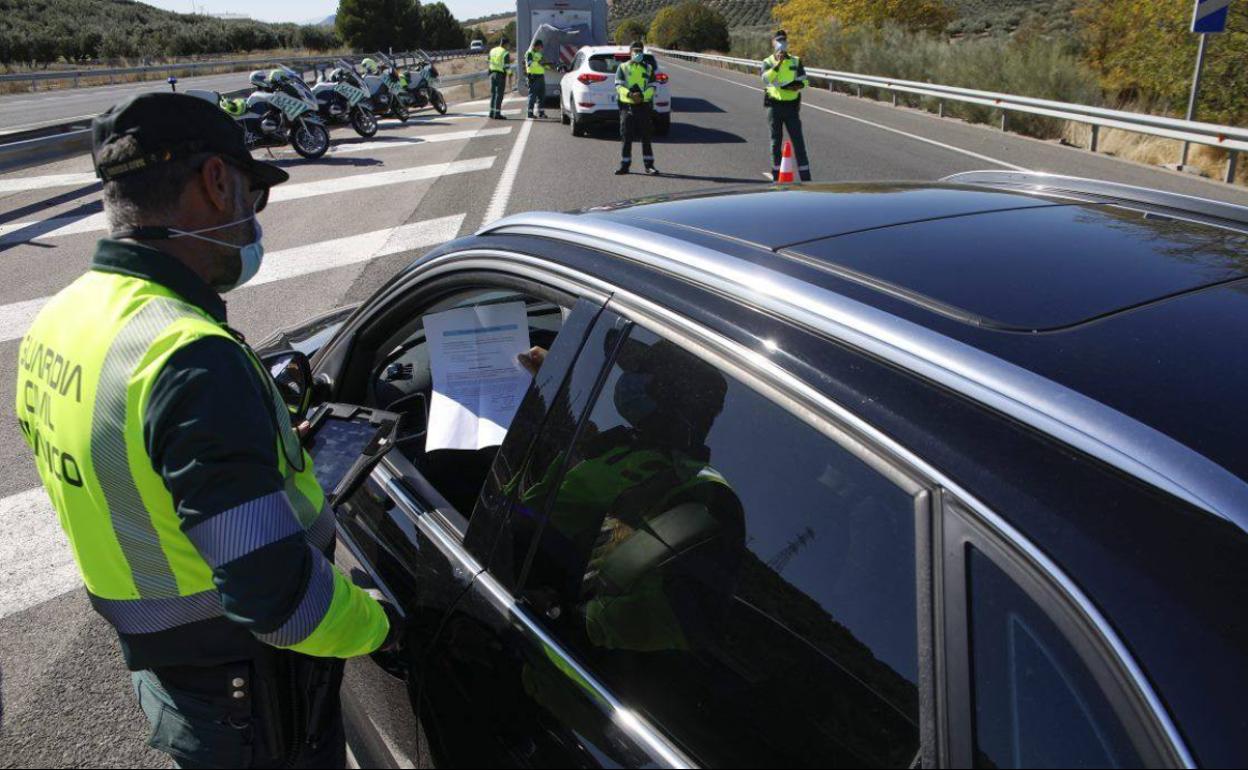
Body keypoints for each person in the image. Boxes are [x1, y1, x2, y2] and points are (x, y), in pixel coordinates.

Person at [15, 92, 400, 769]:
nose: (254, 221)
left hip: (178, 687)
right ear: (218, 183)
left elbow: (125, 464)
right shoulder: (189, 358)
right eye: (255, 196)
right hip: (253, 701)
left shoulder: (62, 318)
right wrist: (382, 628)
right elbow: (277, 601)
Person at [762, 30, 812, 181]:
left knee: (799, 142)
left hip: (791, 107)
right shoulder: (768, 61)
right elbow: (765, 79)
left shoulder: (796, 61)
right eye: (778, 41)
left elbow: (805, 80)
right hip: (774, 107)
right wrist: (778, 64)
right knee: (775, 142)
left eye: (783, 40)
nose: (781, 43)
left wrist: (798, 86)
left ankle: (806, 178)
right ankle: (776, 175)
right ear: (773, 42)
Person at [615, 40, 660, 176]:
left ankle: (649, 166)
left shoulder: (648, 68)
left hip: (644, 106)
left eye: (640, 51)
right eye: (635, 50)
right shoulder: (622, 67)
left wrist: (642, 96)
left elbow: (652, 87)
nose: (638, 53)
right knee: (626, 136)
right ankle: (625, 165)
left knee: (646, 136)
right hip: (627, 106)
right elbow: (618, 86)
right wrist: (630, 94)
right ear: (630, 52)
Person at [525, 38, 554, 119]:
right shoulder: (529, 53)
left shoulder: (539, 54)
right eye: (540, 47)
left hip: (541, 76)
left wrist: (550, 66)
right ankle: (530, 113)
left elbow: (543, 64)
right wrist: (539, 63)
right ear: (536, 46)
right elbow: (529, 64)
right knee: (532, 96)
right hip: (533, 76)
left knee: (542, 95)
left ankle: (541, 112)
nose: (541, 49)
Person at [488, 37, 512, 120]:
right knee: (499, 95)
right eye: (508, 44)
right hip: (500, 75)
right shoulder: (505, 53)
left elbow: (488, 61)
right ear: (506, 44)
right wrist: (510, 74)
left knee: (493, 94)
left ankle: (491, 112)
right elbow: (507, 66)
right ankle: (497, 113)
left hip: (492, 74)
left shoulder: (492, 50)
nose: (509, 46)